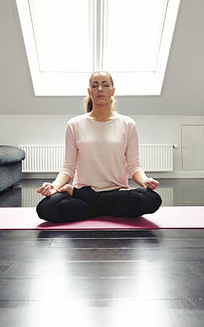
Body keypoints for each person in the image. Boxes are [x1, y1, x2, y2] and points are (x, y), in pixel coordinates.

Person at [36, 71, 162, 223]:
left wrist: (145, 181)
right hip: (93, 191)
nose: (100, 89)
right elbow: (68, 168)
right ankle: (109, 209)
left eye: (105, 85)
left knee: (151, 199)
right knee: (45, 208)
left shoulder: (127, 124)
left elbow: (134, 166)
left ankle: (86, 202)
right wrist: (54, 186)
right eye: (95, 86)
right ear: (89, 92)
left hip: (112, 191)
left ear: (112, 91)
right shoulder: (75, 124)